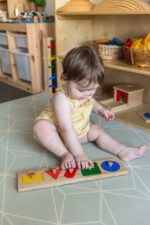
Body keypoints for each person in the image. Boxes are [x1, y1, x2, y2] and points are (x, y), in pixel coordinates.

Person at [33, 46, 147, 170]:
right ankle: (64, 154)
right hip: (58, 135)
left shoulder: (86, 95)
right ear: (65, 78)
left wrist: (101, 110)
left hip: (80, 132)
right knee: (40, 127)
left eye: (93, 89)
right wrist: (79, 154)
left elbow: (92, 102)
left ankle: (122, 150)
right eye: (82, 89)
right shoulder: (62, 99)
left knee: (97, 130)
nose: (87, 94)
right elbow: (66, 129)